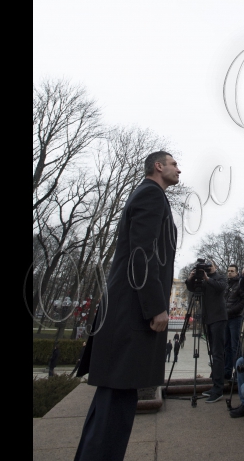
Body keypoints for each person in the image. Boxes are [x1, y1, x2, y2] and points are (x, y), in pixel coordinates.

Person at [74, 151, 180, 461]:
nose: (179, 169)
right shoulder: (151, 194)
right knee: (115, 407)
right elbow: (141, 254)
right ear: (158, 166)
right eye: (174, 163)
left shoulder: (147, 195)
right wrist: (156, 307)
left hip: (124, 311)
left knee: (111, 402)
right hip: (132, 314)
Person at [186, 261, 228, 403]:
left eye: (210, 266)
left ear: (215, 267)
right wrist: (191, 278)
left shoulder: (219, 278)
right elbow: (192, 289)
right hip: (207, 318)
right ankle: (214, 386)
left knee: (217, 354)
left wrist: (207, 278)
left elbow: (221, 287)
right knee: (213, 352)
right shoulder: (203, 280)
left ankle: (218, 389)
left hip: (218, 318)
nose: (207, 269)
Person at [224, 264, 244, 381]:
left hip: (235, 317)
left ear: (237, 272)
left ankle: (237, 373)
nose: (229, 273)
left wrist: (231, 311)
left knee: (235, 346)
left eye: (232, 271)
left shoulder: (240, 284)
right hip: (226, 318)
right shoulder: (227, 285)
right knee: (226, 345)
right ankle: (227, 371)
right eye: (228, 271)